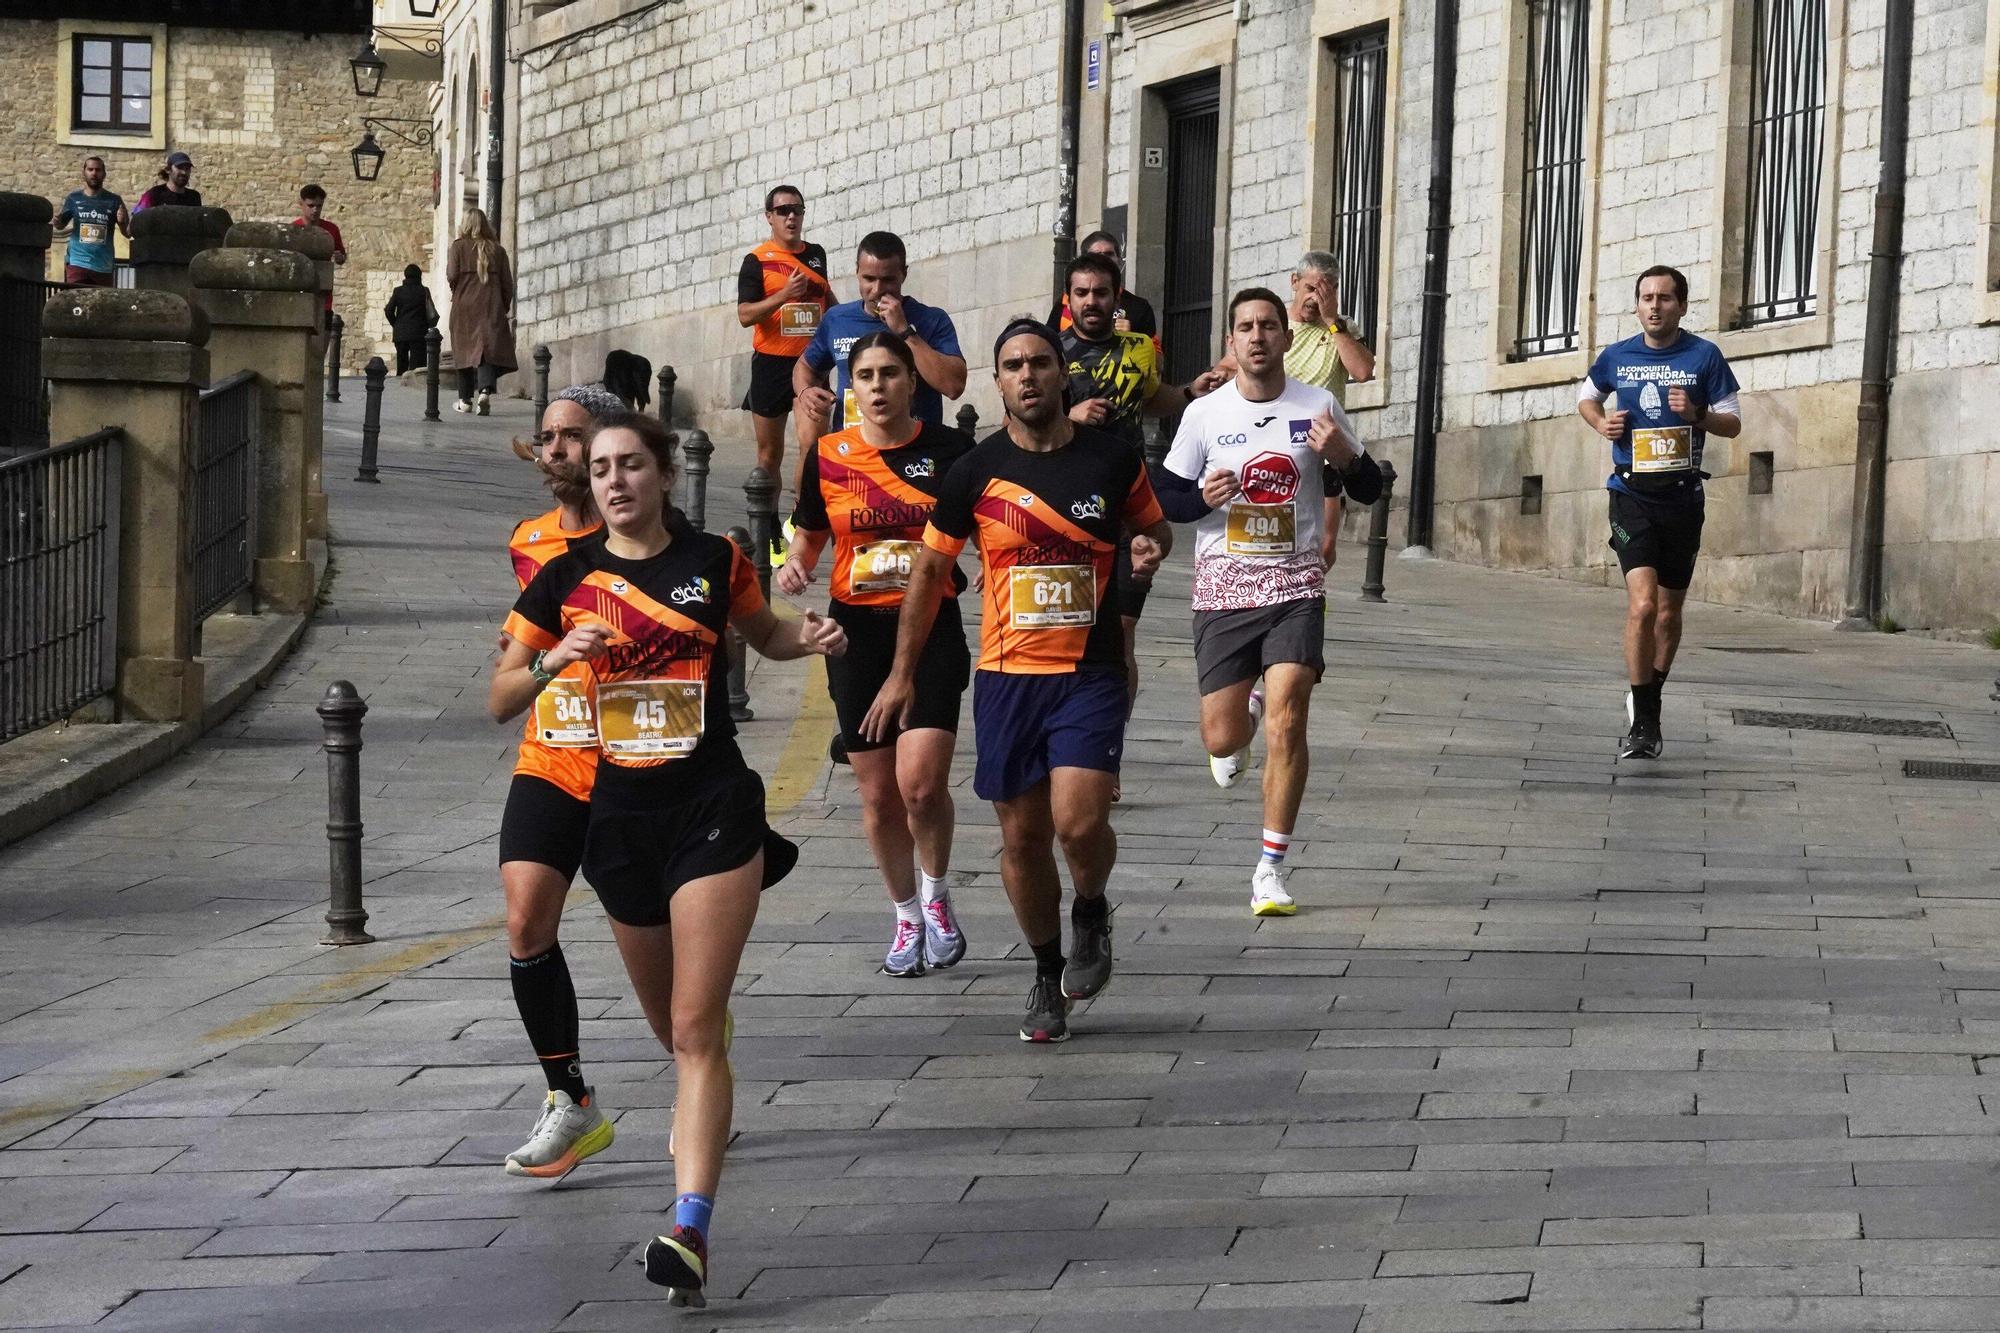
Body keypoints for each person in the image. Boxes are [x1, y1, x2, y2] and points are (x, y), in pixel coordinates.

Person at [491, 411, 845, 1305]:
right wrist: (552, 662)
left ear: (661, 474)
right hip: (618, 821)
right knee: (676, 1031)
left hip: (712, 810)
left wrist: (811, 637)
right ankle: (703, 1075)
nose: (615, 480)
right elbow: (497, 695)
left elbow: (762, 636)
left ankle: (689, 1226)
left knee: (691, 1029)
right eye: (603, 468)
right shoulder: (563, 579)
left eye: (632, 465)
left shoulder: (714, 560)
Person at [862, 320, 1171, 1044]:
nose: (1027, 375)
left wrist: (1148, 550)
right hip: (1006, 679)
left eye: (1039, 362)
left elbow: (1151, 527)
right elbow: (932, 572)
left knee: (1080, 820)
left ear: (1063, 375)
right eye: (1012, 366)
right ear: (996, 382)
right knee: (1024, 840)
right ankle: (1044, 967)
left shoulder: (1111, 459)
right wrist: (903, 674)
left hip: (1087, 672)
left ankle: (1090, 905)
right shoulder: (973, 471)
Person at [1155, 288, 1382, 917]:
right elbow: (1165, 500)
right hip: (1223, 589)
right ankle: (1242, 712)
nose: (1257, 337)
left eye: (1268, 326)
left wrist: (1342, 453)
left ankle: (1270, 869)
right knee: (1223, 738)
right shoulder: (1205, 415)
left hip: (1295, 587)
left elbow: (1367, 486)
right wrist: (1202, 496)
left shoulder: (1318, 404)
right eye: (1245, 328)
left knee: (1290, 718)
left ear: (1286, 338)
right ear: (1231, 341)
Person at [779, 333, 974, 978]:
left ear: (911, 383)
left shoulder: (948, 451)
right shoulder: (828, 455)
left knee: (919, 787)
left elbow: (989, 528)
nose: (879, 385)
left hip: (930, 632)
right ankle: (905, 915)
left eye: (891, 373)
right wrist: (794, 570)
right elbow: (808, 536)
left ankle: (937, 896)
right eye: (865, 375)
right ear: (849, 387)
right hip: (854, 637)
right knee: (878, 796)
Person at [493, 384, 620, 1178]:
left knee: (664, 949)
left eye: (572, 436)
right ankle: (568, 1097)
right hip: (550, 755)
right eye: (548, 437)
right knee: (525, 921)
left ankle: (701, 1071)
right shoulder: (528, 541)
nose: (557, 450)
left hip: (633, 765)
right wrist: (541, 659)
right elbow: (511, 664)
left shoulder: (643, 536)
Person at [1577, 265, 1742, 760]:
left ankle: (1649, 693)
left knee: (1669, 613)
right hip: (1631, 493)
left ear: (1682, 306)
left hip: (1683, 496)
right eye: (1646, 298)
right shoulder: (1618, 356)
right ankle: (1644, 723)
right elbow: (1586, 398)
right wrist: (1602, 423)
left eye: (1665, 298)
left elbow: (1732, 424)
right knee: (1643, 605)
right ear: (1636, 306)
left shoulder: (1703, 356)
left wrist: (1698, 415)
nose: (1655, 306)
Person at [1060, 251, 1222, 732]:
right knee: (1071, 634)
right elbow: (1015, 425)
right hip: (1066, 503)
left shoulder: (1138, 348)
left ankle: (1109, 750)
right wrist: (1069, 417)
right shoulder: (1048, 350)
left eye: (1101, 293)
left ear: (1116, 298)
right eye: (1082, 293)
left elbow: (1151, 400)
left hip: (1128, 503)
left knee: (1121, 635)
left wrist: (1190, 391)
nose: (1092, 301)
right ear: (1067, 299)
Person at [795, 231, 965, 440]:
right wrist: (805, 391)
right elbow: (805, 366)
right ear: (857, 272)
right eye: (869, 279)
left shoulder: (931, 320)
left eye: (888, 280)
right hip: (852, 448)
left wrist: (905, 331)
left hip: (914, 450)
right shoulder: (837, 319)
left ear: (904, 274)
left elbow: (953, 386)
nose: (877, 289)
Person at [737, 185, 833, 482]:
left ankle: (799, 523)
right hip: (771, 364)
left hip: (811, 364)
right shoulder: (756, 260)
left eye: (797, 210)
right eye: (783, 211)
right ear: (769, 217)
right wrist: (784, 295)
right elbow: (744, 315)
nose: (791, 217)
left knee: (812, 448)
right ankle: (766, 526)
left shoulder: (816, 255)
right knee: (769, 455)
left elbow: (826, 298)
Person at [447, 207, 517, 415]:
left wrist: (458, 290)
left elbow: (452, 275)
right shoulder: (498, 250)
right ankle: (485, 391)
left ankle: (465, 399)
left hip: (464, 305)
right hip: (490, 305)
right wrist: (502, 305)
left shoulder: (458, 247)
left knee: (464, 349)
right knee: (485, 350)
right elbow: (507, 284)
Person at [1048, 230, 1158, 349]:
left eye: (1109, 254)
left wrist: (1131, 339)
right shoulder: (1063, 303)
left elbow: (1157, 361)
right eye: (1081, 293)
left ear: (1120, 261)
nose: (1091, 302)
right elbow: (1046, 346)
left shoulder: (1139, 306)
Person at [51, 156, 128, 288]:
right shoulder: (73, 198)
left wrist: (121, 222)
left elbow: (127, 233)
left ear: (104, 174)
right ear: (84, 173)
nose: (94, 173)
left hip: (103, 266)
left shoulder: (114, 200)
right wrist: (57, 221)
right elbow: (61, 225)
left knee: (100, 306)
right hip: (77, 263)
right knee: (75, 303)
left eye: (98, 170)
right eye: (90, 169)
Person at [293, 184, 346, 319]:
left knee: (324, 334)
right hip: (298, 290)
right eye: (311, 206)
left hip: (323, 293)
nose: (315, 210)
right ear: (301, 204)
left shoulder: (331, 229)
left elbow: (341, 257)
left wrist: (339, 257)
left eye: (319, 206)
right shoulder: (292, 230)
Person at [383, 265, 438, 376]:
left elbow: (389, 310)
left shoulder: (398, 291)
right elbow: (430, 311)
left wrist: (396, 324)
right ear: (419, 276)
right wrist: (426, 325)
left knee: (401, 367)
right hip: (419, 333)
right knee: (417, 369)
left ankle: (401, 389)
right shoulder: (424, 291)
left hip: (401, 333)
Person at [134, 151, 200, 211]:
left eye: (187, 169)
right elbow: (137, 218)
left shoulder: (194, 197)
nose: (184, 172)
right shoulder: (154, 194)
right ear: (168, 170)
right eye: (180, 167)